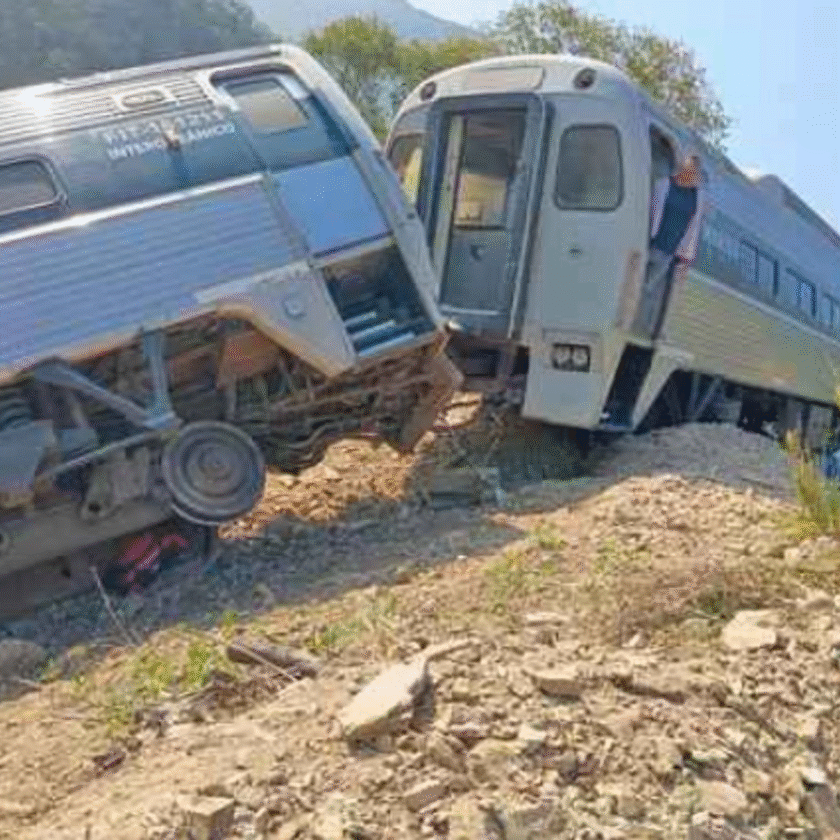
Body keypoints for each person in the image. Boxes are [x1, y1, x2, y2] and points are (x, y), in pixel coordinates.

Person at [634, 152, 706, 338]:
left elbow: (694, 227)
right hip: (647, 242)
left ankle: (639, 328)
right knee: (636, 282)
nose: (690, 174)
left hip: (668, 251)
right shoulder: (664, 184)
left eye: (694, 172)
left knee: (649, 289)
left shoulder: (696, 197)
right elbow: (649, 208)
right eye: (688, 169)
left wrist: (686, 254)